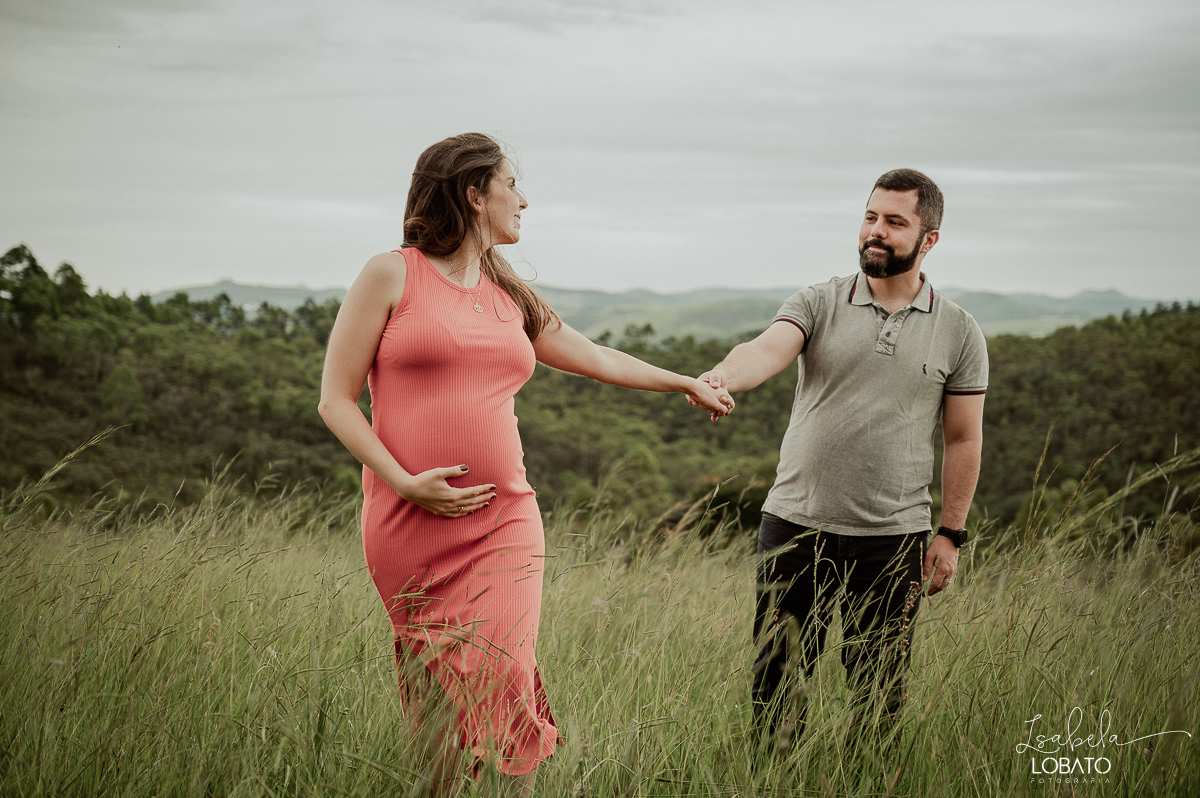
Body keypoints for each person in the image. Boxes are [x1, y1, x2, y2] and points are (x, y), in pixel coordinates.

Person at [318, 132, 732, 796]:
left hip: (505, 520)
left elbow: (597, 357)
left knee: (507, 672)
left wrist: (682, 380)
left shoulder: (507, 293)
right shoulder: (391, 274)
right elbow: (336, 401)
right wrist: (403, 482)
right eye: (512, 184)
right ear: (474, 193)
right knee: (433, 693)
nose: (525, 200)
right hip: (406, 518)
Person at [695, 169, 987, 750]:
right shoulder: (818, 301)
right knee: (776, 686)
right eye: (870, 217)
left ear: (929, 239)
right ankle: (775, 783)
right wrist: (722, 376)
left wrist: (951, 533)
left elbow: (963, 439)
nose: (876, 231)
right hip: (794, 526)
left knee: (878, 698)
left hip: (893, 537)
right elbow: (766, 349)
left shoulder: (959, 331)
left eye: (895, 222)